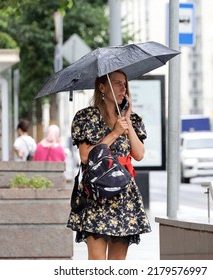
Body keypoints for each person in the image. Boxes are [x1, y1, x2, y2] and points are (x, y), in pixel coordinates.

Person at [67, 70, 151, 260]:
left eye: (124, 84)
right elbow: (85, 156)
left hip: (123, 194)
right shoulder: (87, 118)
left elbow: (139, 154)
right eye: (117, 83)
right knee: (97, 263)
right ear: (102, 87)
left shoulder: (132, 120)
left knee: (117, 264)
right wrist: (114, 133)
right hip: (97, 194)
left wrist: (127, 122)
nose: (123, 88)